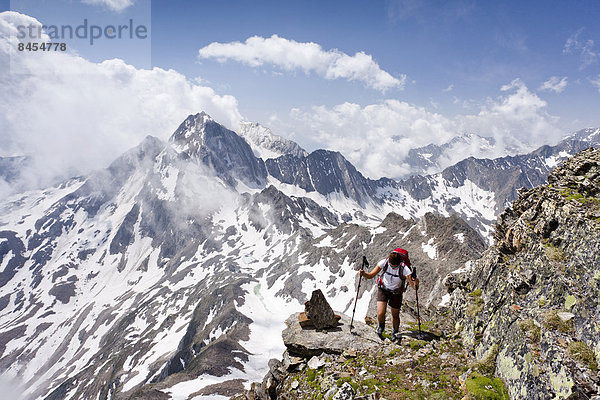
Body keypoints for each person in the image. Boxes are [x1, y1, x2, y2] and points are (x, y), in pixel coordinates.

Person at [359, 248, 419, 342]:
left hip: (396, 293)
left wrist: (415, 282)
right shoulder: (385, 262)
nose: (393, 267)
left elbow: (414, 286)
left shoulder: (404, 268)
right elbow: (371, 275)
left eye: (395, 266)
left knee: (395, 315)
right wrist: (363, 274)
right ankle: (381, 327)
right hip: (383, 289)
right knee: (380, 312)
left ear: (399, 263)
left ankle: (395, 332)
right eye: (391, 265)